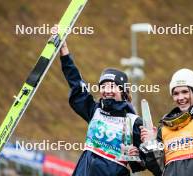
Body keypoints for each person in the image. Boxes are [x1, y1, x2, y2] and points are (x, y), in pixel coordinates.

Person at [58, 38, 145, 175]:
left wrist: (138, 154)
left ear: (123, 91)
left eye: (112, 86)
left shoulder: (134, 122)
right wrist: (64, 52)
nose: (107, 90)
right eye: (103, 86)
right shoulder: (95, 111)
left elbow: (146, 161)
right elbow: (76, 84)